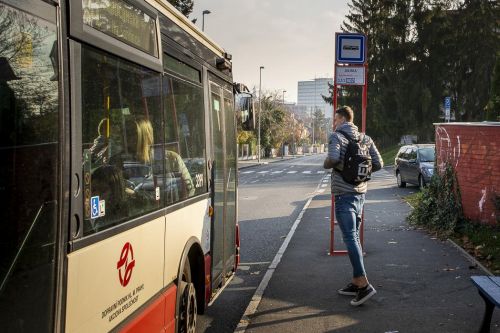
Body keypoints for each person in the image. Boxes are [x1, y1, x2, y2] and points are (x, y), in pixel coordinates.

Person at [323, 106, 383, 306]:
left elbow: (332, 159)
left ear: (341, 118)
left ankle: (364, 284)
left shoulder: (337, 137)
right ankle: (356, 282)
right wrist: (358, 173)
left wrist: (331, 166)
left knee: (350, 238)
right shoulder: (365, 138)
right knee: (354, 237)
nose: (334, 123)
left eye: (335, 119)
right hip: (361, 195)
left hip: (344, 194)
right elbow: (379, 163)